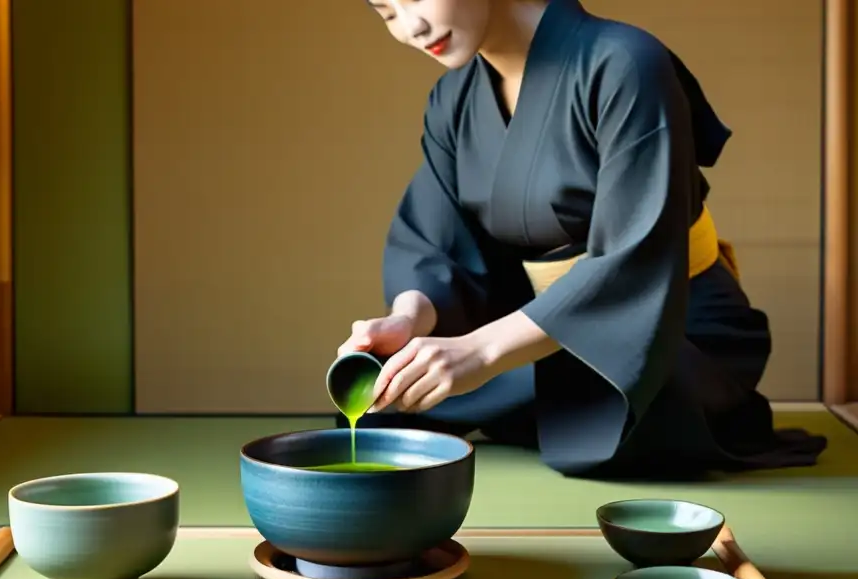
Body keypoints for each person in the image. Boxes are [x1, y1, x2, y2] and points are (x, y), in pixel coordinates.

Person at [337, 0, 828, 478]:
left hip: (671, 325)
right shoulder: (453, 100)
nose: (411, 26)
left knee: (607, 424)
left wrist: (482, 353)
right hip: (542, 330)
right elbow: (436, 243)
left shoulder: (625, 62)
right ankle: (538, 392)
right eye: (386, 12)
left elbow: (635, 256)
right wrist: (407, 320)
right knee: (385, 400)